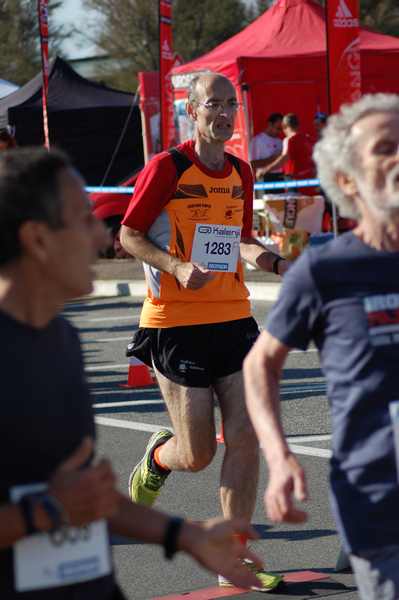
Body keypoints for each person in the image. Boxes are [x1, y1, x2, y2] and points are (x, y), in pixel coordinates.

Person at [0, 146, 272, 599]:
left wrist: (188, 537)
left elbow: (86, 496)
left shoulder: (60, 339)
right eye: (84, 220)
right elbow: (63, 503)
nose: (101, 237)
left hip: (88, 584)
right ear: (37, 239)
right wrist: (45, 513)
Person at [120, 72, 289, 592]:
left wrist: (272, 259)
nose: (222, 112)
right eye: (211, 103)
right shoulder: (166, 168)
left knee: (244, 436)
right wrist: (174, 266)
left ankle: (233, 554)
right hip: (175, 324)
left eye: (229, 105)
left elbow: (238, 240)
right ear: (190, 112)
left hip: (233, 319)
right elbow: (127, 234)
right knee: (197, 454)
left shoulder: (240, 171)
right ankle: (157, 456)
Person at [243, 93, 399, 599]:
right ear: (348, 181)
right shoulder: (325, 271)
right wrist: (279, 455)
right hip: (379, 502)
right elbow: (260, 363)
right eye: (386, 148)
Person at [261, 113, 315, 195]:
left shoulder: (289, 140)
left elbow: (284, 158)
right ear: (297, 125)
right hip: (310, 180)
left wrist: (265, 170)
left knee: (295, 206)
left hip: (294, 181)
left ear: (284, 126)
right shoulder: (308, 138)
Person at [249, 113, 284, 196]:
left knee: (279, 206)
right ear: (269, 124)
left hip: (279, 177)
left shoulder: (280, 141)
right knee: (265, 207)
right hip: (264, 178)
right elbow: (252, 164)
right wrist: (274, 158)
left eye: (281, 129)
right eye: (278, 128)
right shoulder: (257, 140)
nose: (279, 131)